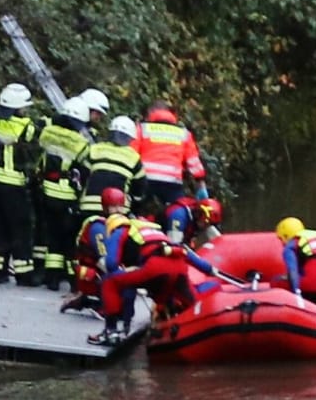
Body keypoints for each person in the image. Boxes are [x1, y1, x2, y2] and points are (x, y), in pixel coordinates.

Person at [91, 221, 218, 345]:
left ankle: (110, 331)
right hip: (179, 267)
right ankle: (204, 325)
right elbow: (187, 253)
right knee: (192, 303)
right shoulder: (155, 232)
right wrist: (209, 269)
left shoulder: (120, 231)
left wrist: (124, 270)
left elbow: (111, 264)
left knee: (109, 281)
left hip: (155, 268)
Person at [33, 96, 93, 289]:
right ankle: (73, 280)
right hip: (66, 194)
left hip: (46, 190)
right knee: (68, 238)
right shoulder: (80, 142)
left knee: (51, 236)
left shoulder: (47, 133)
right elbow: (86, 168)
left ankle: (51, 278)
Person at [0, 82, 41, 284]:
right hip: (13, 184)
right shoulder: (24, 126)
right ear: (18, 107)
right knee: (21, 228)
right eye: (24, 106)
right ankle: (24, 274)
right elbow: (36, 137)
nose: (26, 110)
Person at [60, 186, 127, 314]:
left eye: (120, 206)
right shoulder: (98, 227)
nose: (118, 211)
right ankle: (93, 301)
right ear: (106, 207)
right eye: (114, 207)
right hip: (92, 271)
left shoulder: (119, 225)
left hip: (104, 267)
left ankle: (86, 301)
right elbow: (103, 257)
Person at [135, 100, 207, 207]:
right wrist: (201, 183)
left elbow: (131, 154)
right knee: (177, 212)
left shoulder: (141, 129)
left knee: (137, 213)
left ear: (151, 112)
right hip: (172, 183)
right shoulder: (184, 133)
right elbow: (193, 162)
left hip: (145, 181)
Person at [76, 114, 142, 220]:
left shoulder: (94, 149)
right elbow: (140, 189)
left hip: (89, 206)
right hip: (118, 210)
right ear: (130, 138)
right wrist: (135, 208)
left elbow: (82, 175)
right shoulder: (134, 158)